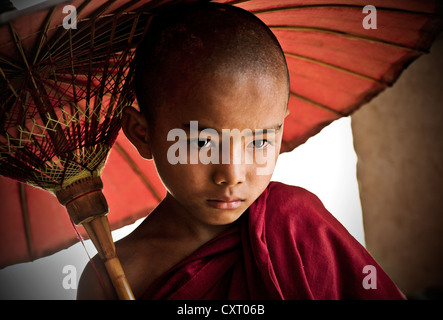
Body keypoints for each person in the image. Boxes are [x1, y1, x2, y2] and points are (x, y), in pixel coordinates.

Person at [77, 2, 405, 300]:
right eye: (203, 143)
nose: (232, 175)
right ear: (141, 133)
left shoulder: (292, 223)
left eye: (260, 142)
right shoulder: (110, 279)